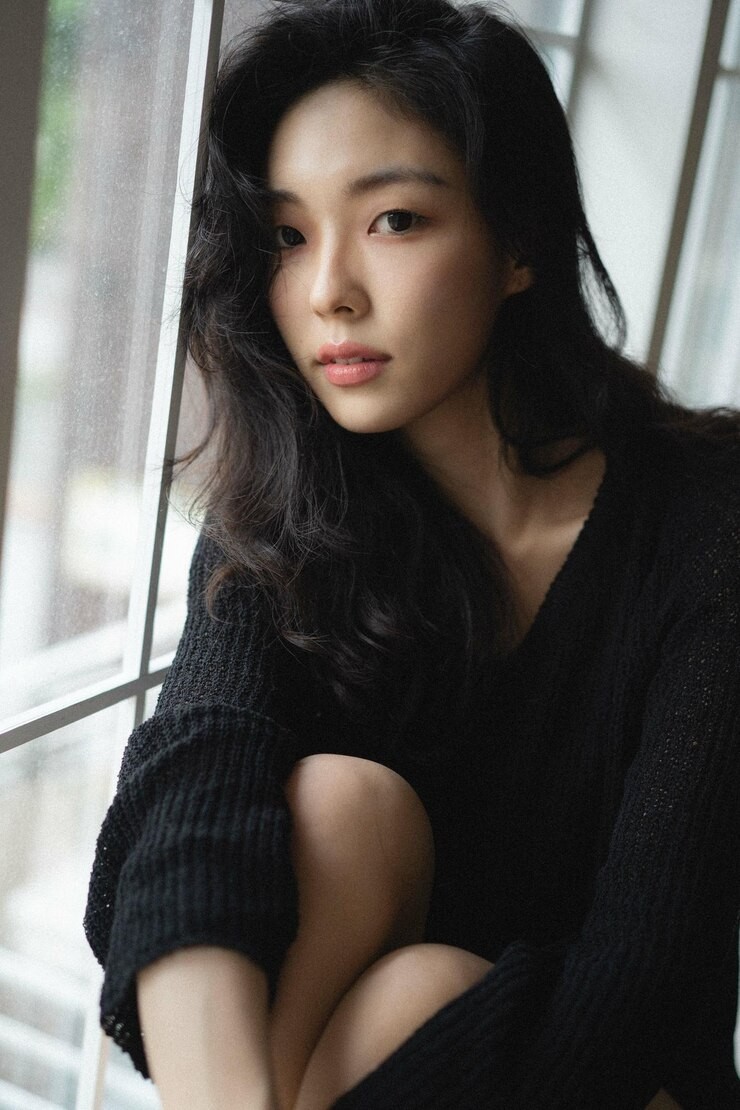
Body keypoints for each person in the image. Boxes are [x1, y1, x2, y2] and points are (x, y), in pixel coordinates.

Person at [83, 0, 740, 1106]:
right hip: (341, 1068)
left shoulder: (706, 523)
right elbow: (194, 792)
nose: (327, 290)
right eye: (288, 236)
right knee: (345, 813)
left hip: (619, 1083)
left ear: (519, 241)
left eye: (391, 219)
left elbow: (639, 983)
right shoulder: (283, 517)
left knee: (424, 989)